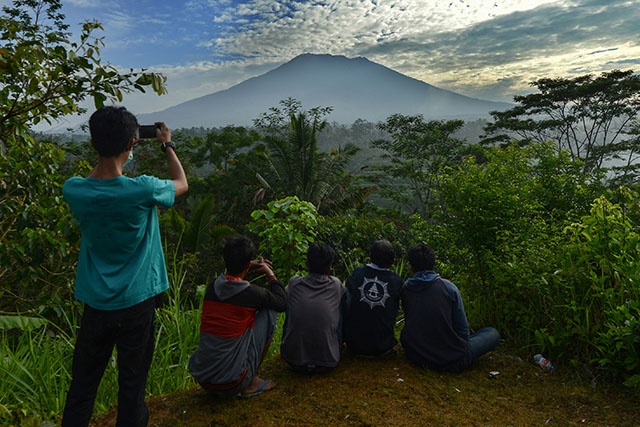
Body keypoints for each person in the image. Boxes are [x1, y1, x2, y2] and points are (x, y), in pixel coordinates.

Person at [61, 106, 188, 426]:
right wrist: (167, 144)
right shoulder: (143, 189)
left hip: (96, 303)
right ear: (132, 143)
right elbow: (181, 183)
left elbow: (96, 179)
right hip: (137, 303)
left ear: (93, 143)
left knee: (82, 386)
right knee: (132, 388)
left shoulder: (74, 189)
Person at [188, 236, 286, 398]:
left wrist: (249, 265)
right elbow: (282, 303)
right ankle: (250, 381)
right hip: (233, 383)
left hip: (204, 380)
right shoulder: (252, 294)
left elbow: (232, 276)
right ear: (247, 265)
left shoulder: (213, 287)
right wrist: (270, 274)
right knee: (270, 312)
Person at [400, 243, 500, 372]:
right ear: (433, 264)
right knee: (492, 333)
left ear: (411, 267)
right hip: (451, 360)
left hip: (415, 354)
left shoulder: (406, 289)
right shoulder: (449, 288)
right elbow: (463, 330)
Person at [280, 243, 346, 373]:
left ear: (306, 264)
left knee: (292, 308)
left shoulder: (294, 283)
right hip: (328, 362)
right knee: (339, 309)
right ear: (329, 269)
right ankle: (334, 346)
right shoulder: (336, 285)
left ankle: (294, 346)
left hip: (293, 361)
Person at [343, 240, 404, 357]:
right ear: (393, 260)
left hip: (355, 344)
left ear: (370, 256)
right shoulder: (396, 281)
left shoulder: (357, 274)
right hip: (383, 345)